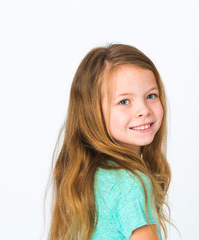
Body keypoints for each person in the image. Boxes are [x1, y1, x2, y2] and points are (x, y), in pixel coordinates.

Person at [48, 44, 172, 240]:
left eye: (151, 96)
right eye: (124, 101)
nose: (144, 110)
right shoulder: (131, 183)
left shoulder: (84, 175)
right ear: (92, 112)